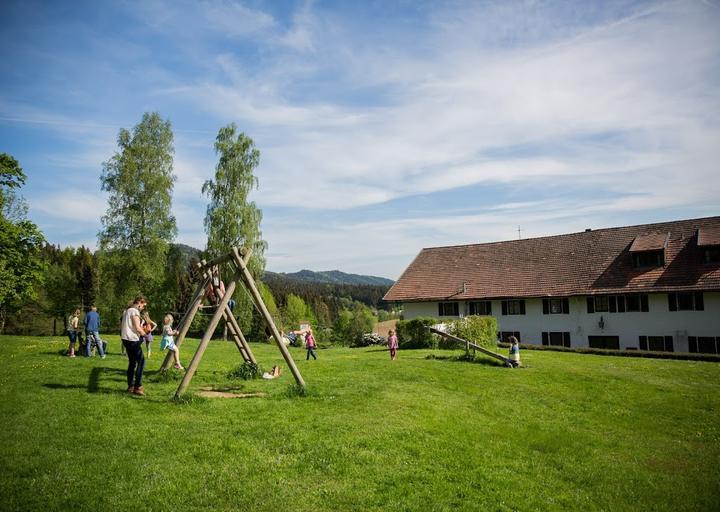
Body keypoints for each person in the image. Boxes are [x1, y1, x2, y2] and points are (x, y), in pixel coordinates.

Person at [121, 296, 148, 396]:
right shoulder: (134, 311)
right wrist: (145, 335)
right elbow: (137, 327)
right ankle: (138, 386)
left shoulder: (127, 311)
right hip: (132, 339)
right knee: (141, 361)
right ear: (140, 302)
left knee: (132, 363)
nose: (143, 308)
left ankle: (130, 386)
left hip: (126, 339)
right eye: (143, 305)